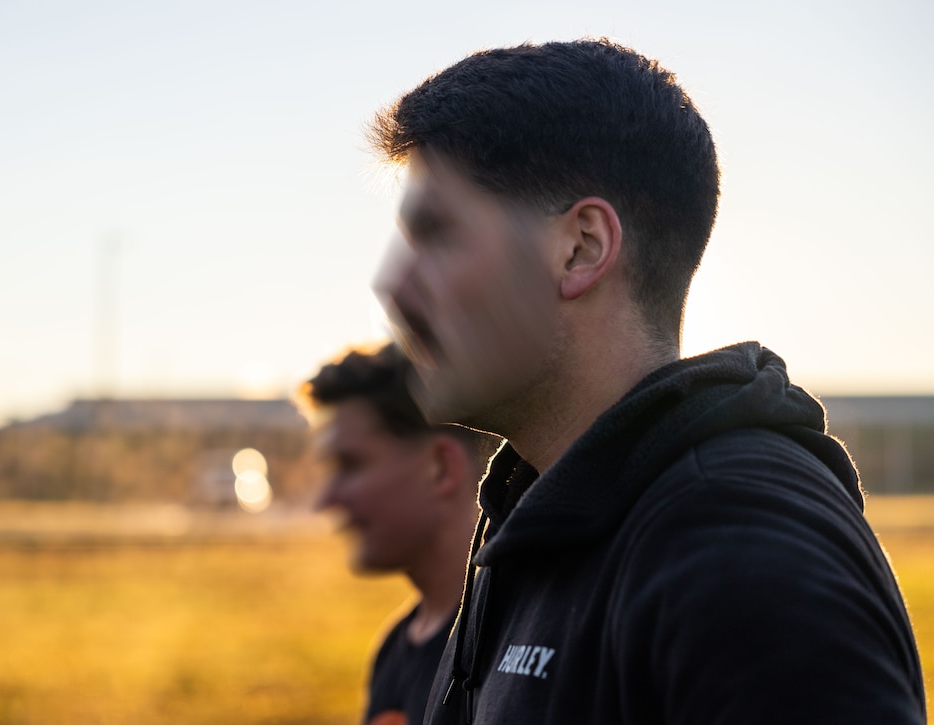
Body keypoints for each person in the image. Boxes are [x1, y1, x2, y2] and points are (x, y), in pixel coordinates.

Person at [369, 39, 926, 724]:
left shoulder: (737, 547)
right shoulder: (536, 512)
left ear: (582, 248)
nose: (393, 285)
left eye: (436, 234)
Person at [298, 342, 499, 725]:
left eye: (350, 465)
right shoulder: (396, 648)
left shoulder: (510, 650)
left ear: (441, 468)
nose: (326, 500)